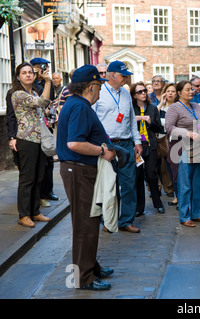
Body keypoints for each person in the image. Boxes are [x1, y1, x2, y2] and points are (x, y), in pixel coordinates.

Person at [57, 64, 115, 290]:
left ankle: (91, 265)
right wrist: (102, 151)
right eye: (99, 86)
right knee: (85, 225)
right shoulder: (80, 107)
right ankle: (83, 278)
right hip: (79, 170)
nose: (100, 91)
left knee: (89, 221)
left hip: (80, 169)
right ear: (91, 87)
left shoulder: (75, 104)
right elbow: (74, 143)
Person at [93, 60, 143, 233]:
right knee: (108, 185)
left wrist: (137, 141)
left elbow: (130, 119)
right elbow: (93, 120)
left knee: (129, 184)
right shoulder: (99, 93)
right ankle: (108, 221)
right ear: (112, 75)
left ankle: (126, 220)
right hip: (107, 145)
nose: (126, 79)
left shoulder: (126, 94)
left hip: (127, 143)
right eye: (123, 76)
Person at [11, 62, 52, 228]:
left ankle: (35, 212)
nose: (28, 75)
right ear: (18, 77)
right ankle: (24, 215)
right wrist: (48, 82)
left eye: (30, 73)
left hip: (39, 139)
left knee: (38, 177)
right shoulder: (18, 94)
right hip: (26, 140)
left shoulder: (34, 92)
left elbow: (44, 105)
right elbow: (42, 102)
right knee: (27, 178)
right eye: (24, 73)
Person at [165, 80, 200, 227]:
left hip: (198, 148)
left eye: (191, 89)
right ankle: (184, 216)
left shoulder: (196, 106)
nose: (191, 92)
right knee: (185, 184)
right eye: (187, 89)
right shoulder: (174, 108)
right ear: (179, 92)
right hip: (182, 148)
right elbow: (169, 128)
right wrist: (188, 133)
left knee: (199, 183)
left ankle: (197, 213)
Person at [130, 81, 164, 215]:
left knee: (152, 175)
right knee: (138, 177)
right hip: (137, 146)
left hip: (151, 145)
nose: (143, 93)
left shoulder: (153, 108)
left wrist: (150, 122)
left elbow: (159, 128)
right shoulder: (131, 109)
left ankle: (158, 203)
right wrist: (137, 119)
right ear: (134, 95)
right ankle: (139, 208)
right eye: (139, 92)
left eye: (144, 91)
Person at [30, 57, 59, 207]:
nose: (44, 69)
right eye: (41, 67)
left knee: (49, 159)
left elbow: (51, 101)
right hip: (36, 127)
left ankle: (49, 190)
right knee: (41, 163)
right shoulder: (32, 84)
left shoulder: (47, 82)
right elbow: (41, 100)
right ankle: (40, 194)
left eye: (46, 67)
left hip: (47, 125)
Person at [156, 82, 177, 206]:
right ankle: (176, 195)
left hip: (176, 142)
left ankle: (178, 196)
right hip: (164, 143)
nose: (170, 93)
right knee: (168, 170)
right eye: (168, 91)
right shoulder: (161, 108)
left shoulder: (179, 107)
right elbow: (153, 118)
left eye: (173, 91)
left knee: (176, 171)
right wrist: (161, 103)